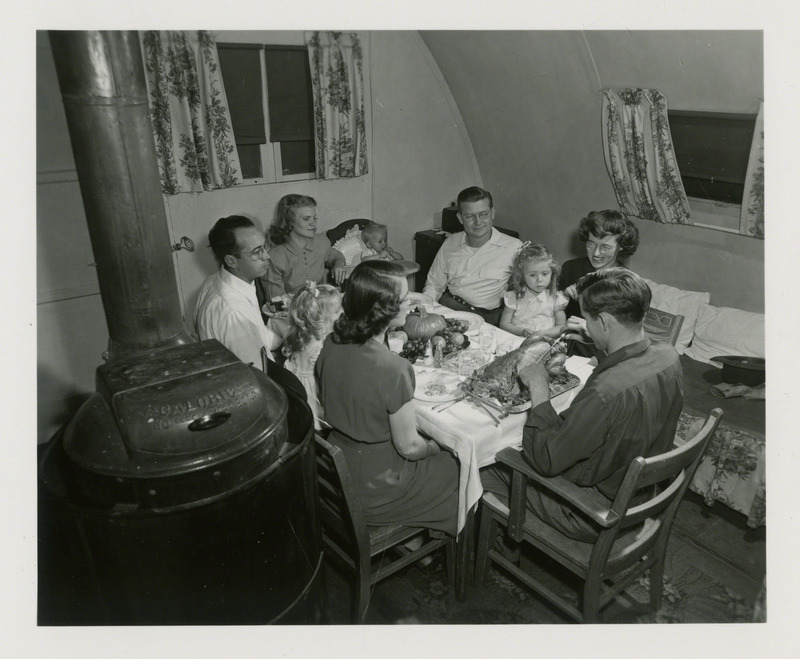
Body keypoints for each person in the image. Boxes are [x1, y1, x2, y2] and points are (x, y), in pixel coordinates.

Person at [481, 268, 683, 542]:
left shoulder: (605, 391)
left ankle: (493, 550)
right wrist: (601, 342)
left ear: (605, 321)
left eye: (588, 319)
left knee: (483, 465)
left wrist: (538, 387)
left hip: (592, 513)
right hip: (641, 495)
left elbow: (545, 460)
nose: (584, 325)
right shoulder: (669, 356)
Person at [315, 260, 459, 536]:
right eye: (404, 298)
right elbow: (408, 447)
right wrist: (433, 447)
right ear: (382, 308)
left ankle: (420, 542)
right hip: (378, 487)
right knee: (458, 464)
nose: (409, 303)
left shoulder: (332, 342)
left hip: (340, 470)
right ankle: (438, 543)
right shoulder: (394, 368)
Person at [422, 186, 522, 326]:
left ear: (492, 213)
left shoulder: (514, 247)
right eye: (469, 216)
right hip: (448, 309)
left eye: (483, 214)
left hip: (487, 320)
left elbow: (528, 290)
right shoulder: (450, 243)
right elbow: (434, 285)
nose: (478, 222)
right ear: (460, 218)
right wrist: (425, 310)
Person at [195, 215, 281, 367]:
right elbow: (257, 375)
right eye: (256, 252)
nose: (266, 256)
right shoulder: (234, 311)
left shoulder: (215, 280)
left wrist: (292, 333)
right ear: (231, 261)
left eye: (265, 246)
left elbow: (261, 338)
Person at [281, 281, 342, 431]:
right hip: (312, 395)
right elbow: (330, 379)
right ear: (320, 317)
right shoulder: (319, 347)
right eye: (337, 311)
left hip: (296, 387)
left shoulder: (304, 334)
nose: (342, 313)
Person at [559, 210, 640, 322]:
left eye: (605, 247)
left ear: (621, 246)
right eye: (591, 244)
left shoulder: (625, 284)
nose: (596, 253)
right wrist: (563, 297)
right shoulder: (570, 268)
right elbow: (548, 313)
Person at [265, 194, 348, 298]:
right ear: (290, 222)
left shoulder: (321, 242)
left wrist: (339, 265)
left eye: (314, 218)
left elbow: (336, 256)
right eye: (306, 219)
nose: (313, 223)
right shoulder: (275, 256)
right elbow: (276, 300)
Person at [500, 243, 569, 340]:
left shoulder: (555, 298)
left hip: (544, 340)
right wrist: (522, 332)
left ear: (551, 273)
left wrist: (543, 333)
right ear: (522, 275)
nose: (539, 279)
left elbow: (561, 327)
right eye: (532, 275)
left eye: (545, 274)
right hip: (516, 339)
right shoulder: (515, 296)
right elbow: (504, 324)